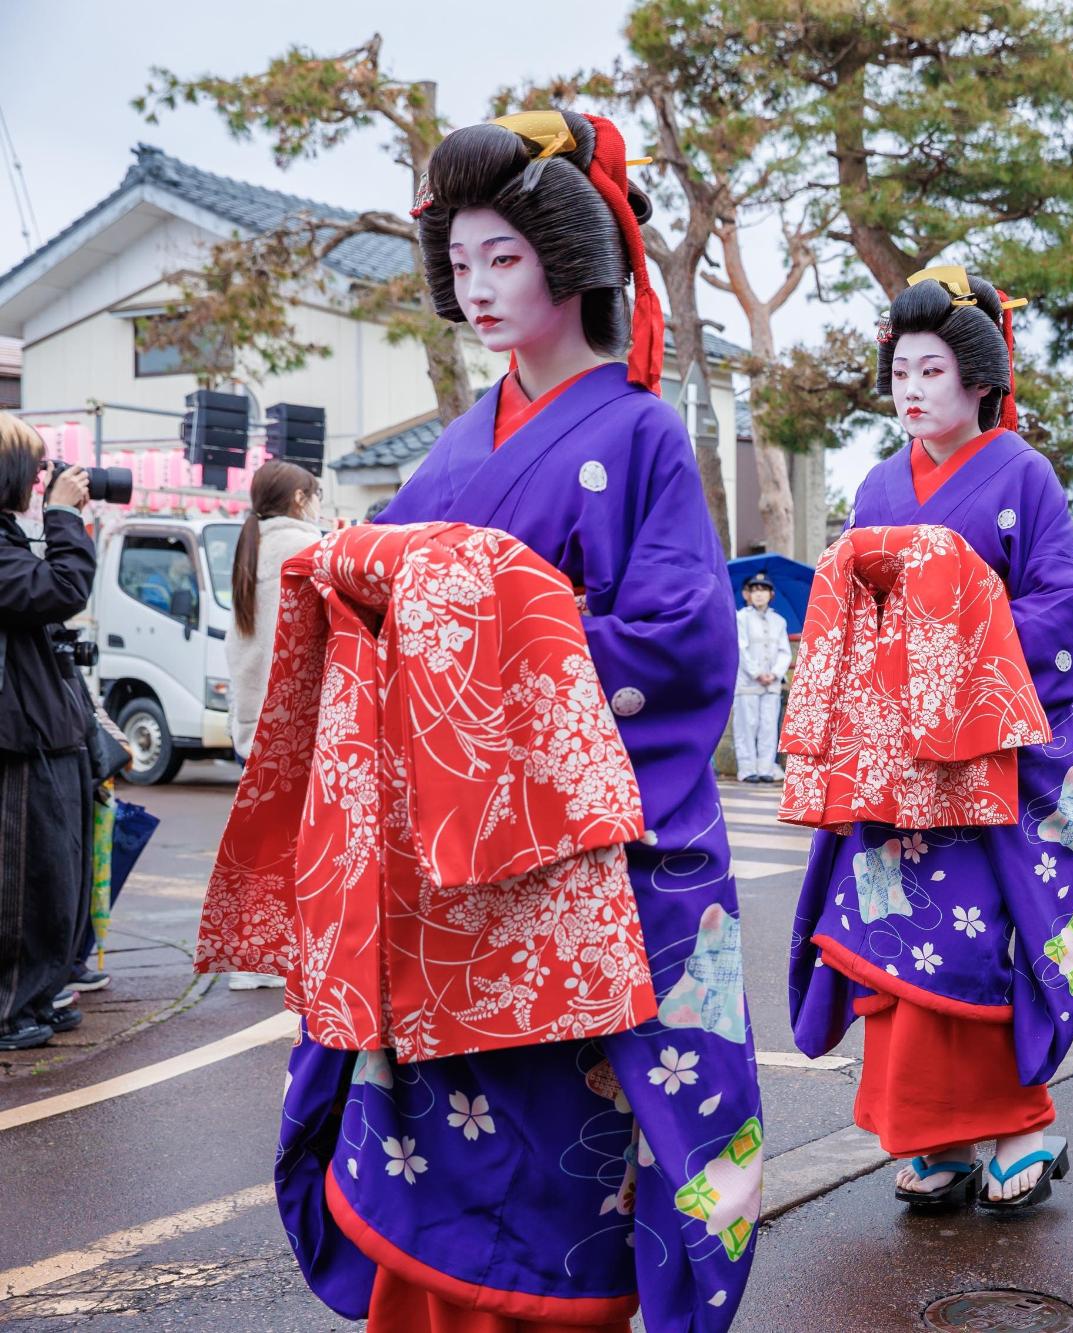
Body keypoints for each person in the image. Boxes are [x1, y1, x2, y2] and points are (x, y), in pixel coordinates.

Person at [238, 110, 764, 1328]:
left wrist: (492, 634)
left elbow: (684, 648)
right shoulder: (445, 456)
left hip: (571, 852)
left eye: (504, 261)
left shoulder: (639, 435)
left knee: (560, 1142)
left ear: (570, 262)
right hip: (444, 854)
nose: (476, 289)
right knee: (436, 1130)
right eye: (460, 264)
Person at [788, 266, 1073, 1212]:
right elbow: (845, 614)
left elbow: (1065, 597)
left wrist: (962, 653)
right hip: (895, 764)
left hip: (983, 758)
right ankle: (942, 1138)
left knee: (981, 945)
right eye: (900, 372)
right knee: (894, 938)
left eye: (931, 371)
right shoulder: (878, 483)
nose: (912, 389)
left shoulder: (1024, 473)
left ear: (978, 381)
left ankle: (1017, 1125)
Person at [0, 413, 96, 1051]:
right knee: (22, 884)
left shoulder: (9, 539)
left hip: (43, 731)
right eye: (36, 467)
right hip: (16, 743)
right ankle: (12, 1006)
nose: (44, 479)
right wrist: (63, 520)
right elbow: (62, 589)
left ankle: (39, 993)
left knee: (57, 880)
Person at [221, 459, 321, 992]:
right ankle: (299, 950)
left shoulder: (251, 547)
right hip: (299, 722)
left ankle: (250, 958)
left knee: (263, 840)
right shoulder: (306, 547)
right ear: (301, 499)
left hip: (254, 720)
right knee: (309, 842)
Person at [732, 571, 789, 783]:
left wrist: (774, 673)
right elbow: (741, 648)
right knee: (747, 725)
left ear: (771, 594)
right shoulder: (740, 618)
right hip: (748, 682)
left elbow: (785, 651)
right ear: (747, 594)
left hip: (772, 683)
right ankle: (747, 769)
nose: (758, 594)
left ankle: (766, 768)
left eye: (763, 589)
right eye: (754, 590)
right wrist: (757, 673)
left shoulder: (779, 621)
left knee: (768, 725)